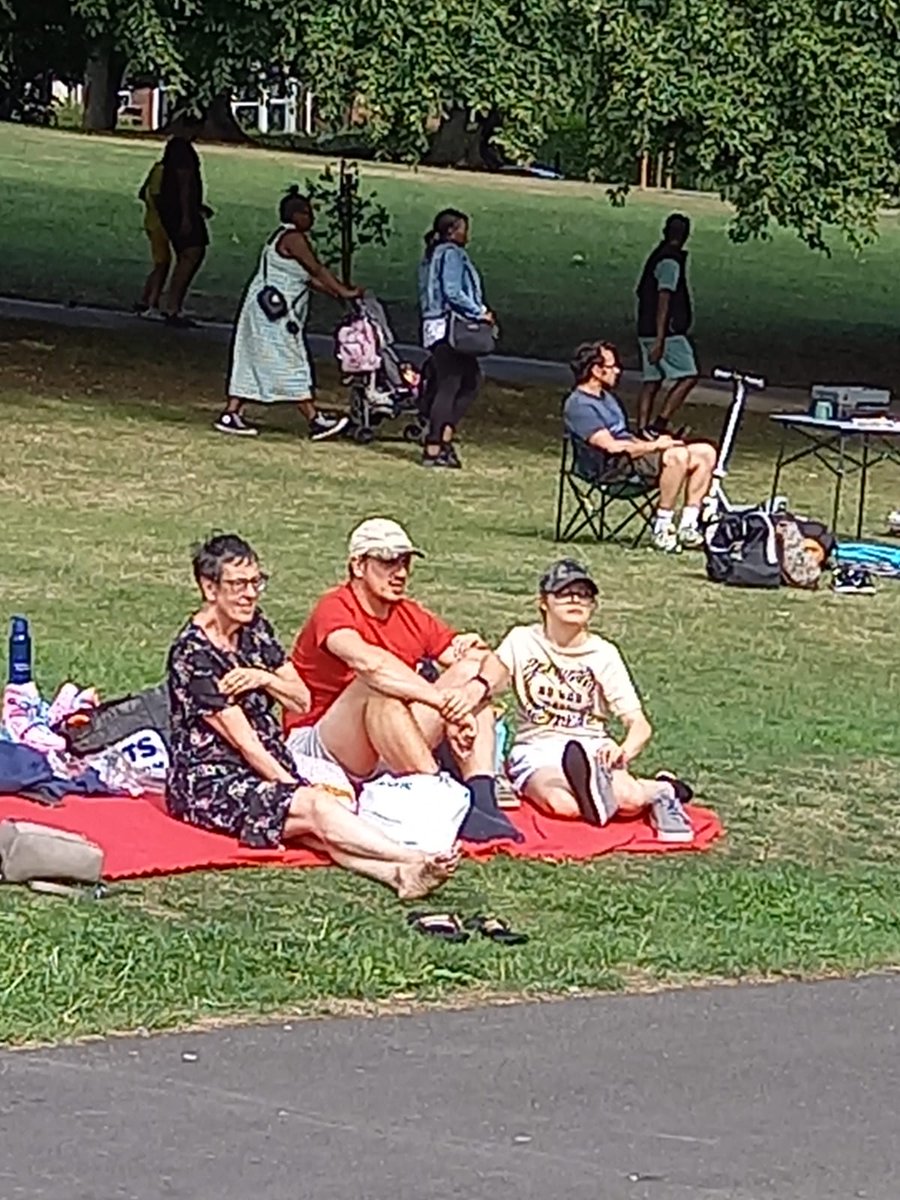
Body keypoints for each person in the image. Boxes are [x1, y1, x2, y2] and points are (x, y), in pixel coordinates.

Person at [165, 532, 460, 899]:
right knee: (315, 808)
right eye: (239, 585)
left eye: (257, 582)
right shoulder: (193, 655)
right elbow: (246, 744)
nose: (251, 594)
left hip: (268, 758)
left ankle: (398, 876)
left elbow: (301, 699)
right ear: (209, 588)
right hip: (211, 779)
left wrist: (263, 678)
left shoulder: (254, 630)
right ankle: (413, 859)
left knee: (317, 817)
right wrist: (292, 786)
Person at [285, 517, 520, 843]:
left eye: (405, 562)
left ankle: (483, 799)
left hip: (391, 732)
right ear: (358, 565)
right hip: (322, 744)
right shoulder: (335, 608)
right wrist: (442, 703)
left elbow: (494, 664)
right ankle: (444, 799)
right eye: (387, 562)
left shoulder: (410, 613)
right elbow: (368, 663)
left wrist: (468, 695)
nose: (401, 573)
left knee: (470, 675)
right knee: (374, 686)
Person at [478, 558, 695, 843]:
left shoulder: (603, 653)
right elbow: (494, 678)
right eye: (565, 593)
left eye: (584, 594)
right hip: (537, 746)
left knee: (628, 801)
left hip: (592, 747)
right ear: (543, 602)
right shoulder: (521, 640)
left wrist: (624, 751)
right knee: (560, 806)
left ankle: (660, 790)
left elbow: (639, 723)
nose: (575, 600)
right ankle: (600, 793)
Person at [215, 187, 355, 441]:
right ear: (295, 215)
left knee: (253, 358)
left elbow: (306, 279)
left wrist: (338, 293)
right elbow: (316, 269)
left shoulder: (281, 237)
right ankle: (314, 419)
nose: (312, 218)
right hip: (273, 316)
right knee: (289, 359)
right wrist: (343, 292)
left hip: (265, 310)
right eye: (308, 213)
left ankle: (231, 413)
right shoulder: (293, 238)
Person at [563, 340, 716, 553]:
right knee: (677, 456)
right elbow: (612, 447)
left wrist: (660, 444)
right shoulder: (580, 405)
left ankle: (688, 526)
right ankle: (661, 527)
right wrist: (655, 446)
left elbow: (626, 438)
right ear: (596, 371)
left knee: (705, 452)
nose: (617, 371)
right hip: (613, 468)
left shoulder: (607, 398)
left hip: (631, 458)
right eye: (612, 366)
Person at [416, 208, 493, 469]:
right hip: (450, 327)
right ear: (452, 231)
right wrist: (479, 312)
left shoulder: (432, 255)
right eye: (463, 228)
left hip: (434, 326)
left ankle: (442, 436)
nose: (466, 234)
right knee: (452, 385)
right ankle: (435, 444)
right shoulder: (451, 254)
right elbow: (452, 291)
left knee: (466, 381)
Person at [636, 212, 699, 435]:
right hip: (667, 333)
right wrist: (661, 339)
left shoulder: (657, 255)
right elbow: (665, 298)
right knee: (689, 375)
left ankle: (642, 427)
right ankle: (660, 423)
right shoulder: (670, 262)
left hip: (644, 328)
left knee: (652, 379)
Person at [157, 122, 213, 329]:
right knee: (192, 252)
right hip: (180, 211)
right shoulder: (181, 149)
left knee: (190, 254)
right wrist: (187, 215)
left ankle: (173, 303)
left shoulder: (176, 147)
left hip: (180, 209)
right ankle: (172, 305)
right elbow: (184, 183)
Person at [133, 159, 170, 319]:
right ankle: (151, 303)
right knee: (163, 264)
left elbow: (143, 193)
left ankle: (145, 298)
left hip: (150, 219)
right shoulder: (164, 171)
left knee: (160, 263)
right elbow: (157, 196)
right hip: (159, 223)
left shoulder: (156, 168)